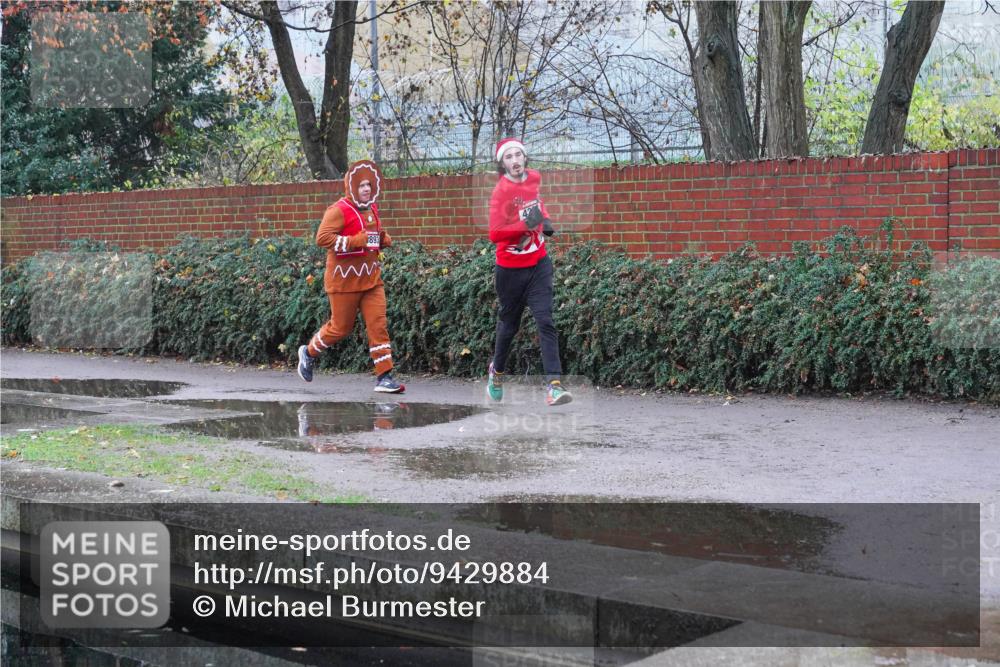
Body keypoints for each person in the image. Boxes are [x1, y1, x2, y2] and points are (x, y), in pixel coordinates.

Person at [297, 159, 404, 393]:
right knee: (340, 328)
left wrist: (382, 240)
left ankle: (384, 376)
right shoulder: (338, 210)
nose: (366, 189)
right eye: (361, 185)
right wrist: (357, 240)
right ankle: (309, 352)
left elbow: (371, 239)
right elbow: (322, 239)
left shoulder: (372, 208)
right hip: (343, 281)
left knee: (378, 325)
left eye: (369, 185)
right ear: (352, 186)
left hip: (371, 280)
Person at [486, 138, 571, 406]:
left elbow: (537, 204)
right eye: (509, 157)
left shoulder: (533, 179)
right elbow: (494, 234)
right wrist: (524, 224)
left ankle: (554, 386)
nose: (515, 160)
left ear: (525, 158)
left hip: (538, 265)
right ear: (503, 163)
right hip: (510, 271)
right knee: (509, 326)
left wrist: (544, 220)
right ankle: (496, 373)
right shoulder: (500, 192)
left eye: (518, 155)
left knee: (545, 321)